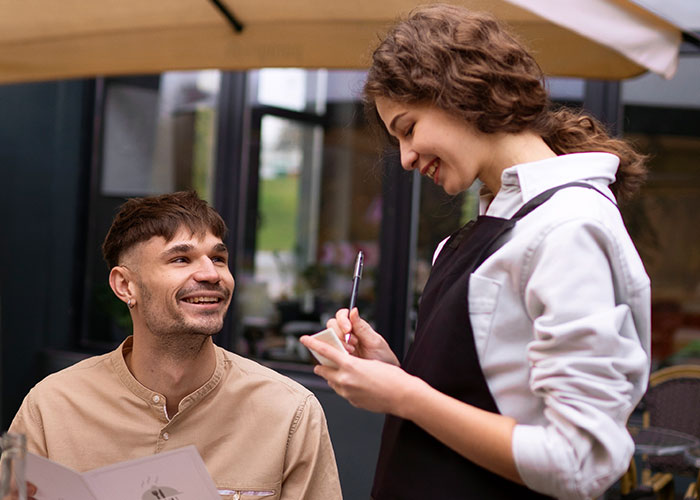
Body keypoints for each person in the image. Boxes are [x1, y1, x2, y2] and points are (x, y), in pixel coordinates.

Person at [300, 4, 650, 500]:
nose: (404, 158)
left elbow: (578, 462)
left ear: (460, 92)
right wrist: (393, 374)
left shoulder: (568, 226)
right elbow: (486, 402)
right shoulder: (485, 228)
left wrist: (408, 396)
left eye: (408, 127)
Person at [10, 191, 342, 500]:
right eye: (181, 259)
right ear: (125, 285)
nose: (211, 274)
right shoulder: (51, 407)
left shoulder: (290, 414)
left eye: (219, 258)